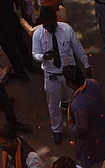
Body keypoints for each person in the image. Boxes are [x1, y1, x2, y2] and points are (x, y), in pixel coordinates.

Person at [31, 7, 88, 145]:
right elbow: (35, 54)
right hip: (51, 75)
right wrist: (43, 56)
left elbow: (77, 47)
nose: (50, 27)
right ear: (42, 23)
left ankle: (75, 125)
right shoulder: (38, 34)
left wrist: (86, 65)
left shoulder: (66, 29)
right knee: (53, 106)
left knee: (74, 102)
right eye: (47, 25)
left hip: (69, 74)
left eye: (52, 24)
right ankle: (57, 130)